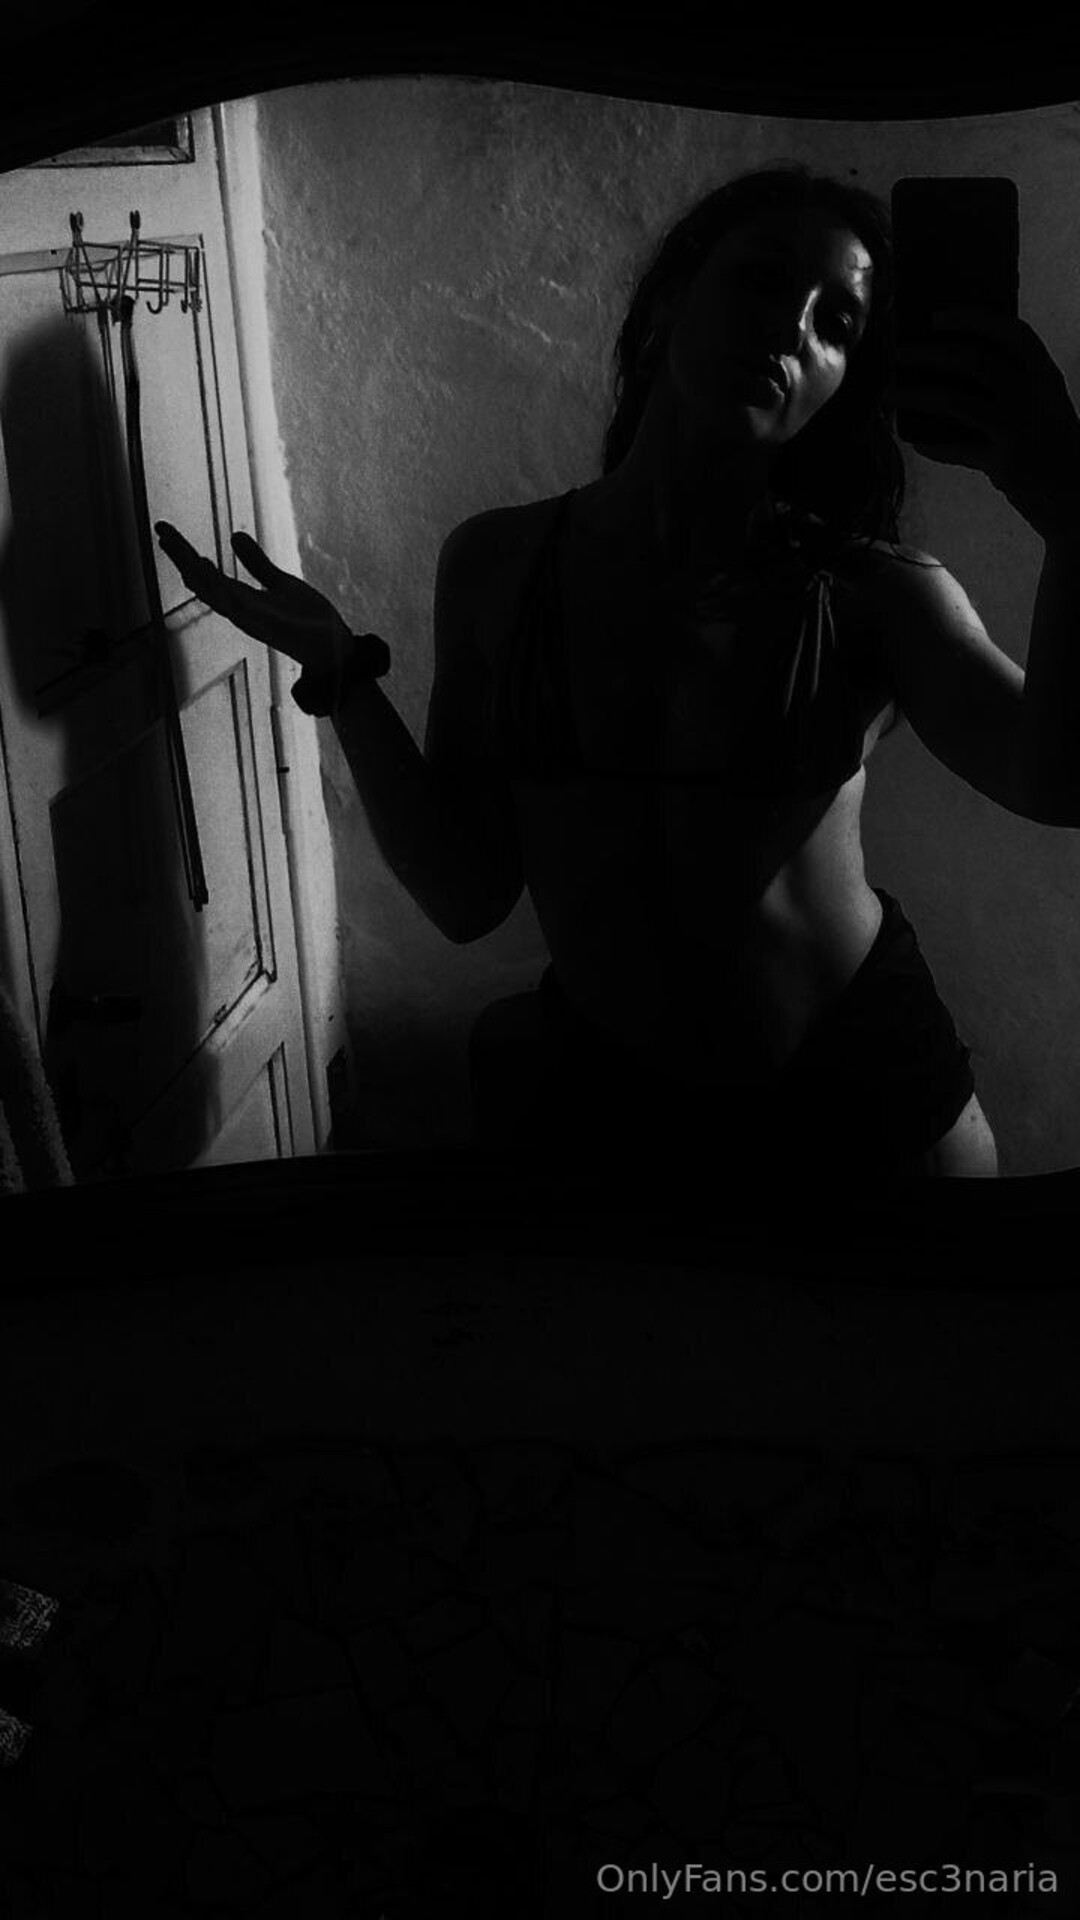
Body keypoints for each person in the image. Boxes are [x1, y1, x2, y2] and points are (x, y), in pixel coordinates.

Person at [156, 162, 1080, 1188]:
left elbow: (1057, 782)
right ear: (672, 296)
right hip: (613, 1108)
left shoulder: (876, 593)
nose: (791, 329)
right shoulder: (500, 565)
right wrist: (343, 678)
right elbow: (466, 892)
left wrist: (1070, 514)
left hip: (858, 1103)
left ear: (845, 380)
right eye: (761, 280)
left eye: (838, 323)